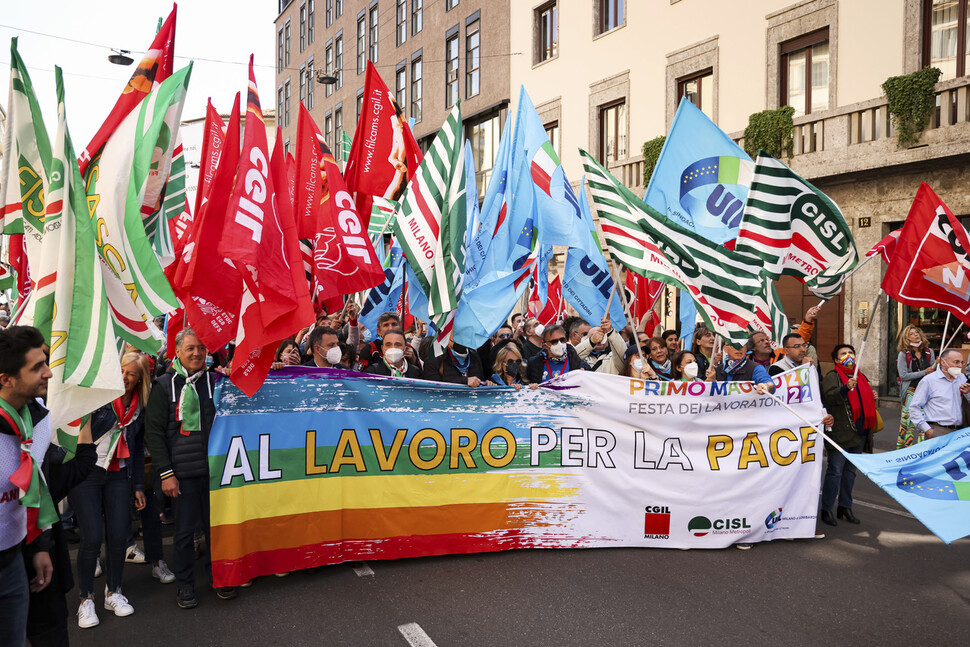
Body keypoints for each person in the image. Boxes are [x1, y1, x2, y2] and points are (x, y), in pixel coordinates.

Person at [144, 328, 233, 609]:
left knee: (216, 530)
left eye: (202, 349)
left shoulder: (217, 381)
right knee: (183, 534)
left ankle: (218, 578)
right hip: (181, 475)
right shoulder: (163, 385)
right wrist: (166, 473)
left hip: (216, 472)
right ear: (178, 352)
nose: (197, 353)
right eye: (191, 348)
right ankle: (185, 585)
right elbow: (154, 433)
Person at [70, 351, 158, 628]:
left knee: (119, 535)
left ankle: (114, 592)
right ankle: (85, 600)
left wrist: (137, 486)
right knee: (92, 536)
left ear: (141, 379)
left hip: (119, 473)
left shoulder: (139, 407)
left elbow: (134, 449)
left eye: (132, 374)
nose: (125, 377)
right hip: (87, 472)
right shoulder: (99, 395)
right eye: (122, 370)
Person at [0, 326, 55, 645]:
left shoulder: (43, 417)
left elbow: (33, 485)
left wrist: (38, 545)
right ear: (6, 379)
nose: (49, 372)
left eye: (44, 361)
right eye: (37, 367)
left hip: (13, 562)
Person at [820, 344, 877, 527]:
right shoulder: (833, 377)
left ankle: (845, 506)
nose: (848, 356)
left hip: (859, 432)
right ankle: (827, 508)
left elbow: (862, 399)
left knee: (850, 472)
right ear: (836, 360)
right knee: (835, 471)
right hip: (840, 433)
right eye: (843, 354)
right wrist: (845, 388)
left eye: (850, 353)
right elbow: (828, 398)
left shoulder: (860, 376)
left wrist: (871, 395)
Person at [908, 347, 970, 441]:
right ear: (943, 362)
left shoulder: (962, 378)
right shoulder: (929, 381)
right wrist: (927, 430)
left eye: (962, 362)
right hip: (939, 431)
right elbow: (914, 407)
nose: (960, 366)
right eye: (956, 362)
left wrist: (968, 393)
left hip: (960, 431)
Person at [895, 325, 936, 448]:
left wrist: (937, 365)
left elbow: (934, 371)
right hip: (911, 392)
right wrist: (924, 372)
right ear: (906, 338)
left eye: (917, 332)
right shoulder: (903, 354)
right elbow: (903, 375)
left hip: (926, 392)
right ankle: (903, 450)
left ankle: (921, 450)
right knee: (908, 423)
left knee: (923, 422)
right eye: (911, 333)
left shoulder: (929, 352)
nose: (916, 335)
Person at [526, 325, 590, 383]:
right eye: (554, 341)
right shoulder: (534, 364)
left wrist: (584, 378)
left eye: (562, 340)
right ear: (545, 346)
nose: (559, 344)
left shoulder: (579, 364)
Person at [422, 341, 486, 386]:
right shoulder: (434, 359)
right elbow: (433, 390)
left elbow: (480, 381)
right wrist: (465, 381)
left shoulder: (474, 356)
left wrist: (486, 384)